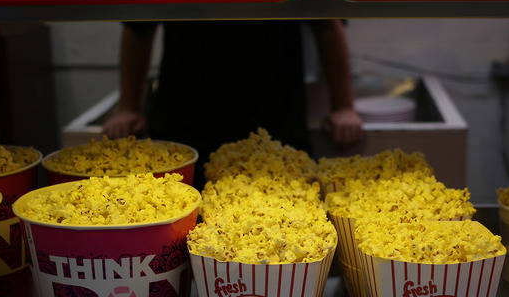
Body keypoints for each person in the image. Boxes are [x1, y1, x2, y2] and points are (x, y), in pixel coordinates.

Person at [103, 19, 363, 189]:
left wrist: (344, 107)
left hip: (276, 128)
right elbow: (138, 26)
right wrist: (129, 107)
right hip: (184, 128)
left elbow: (327, 23)